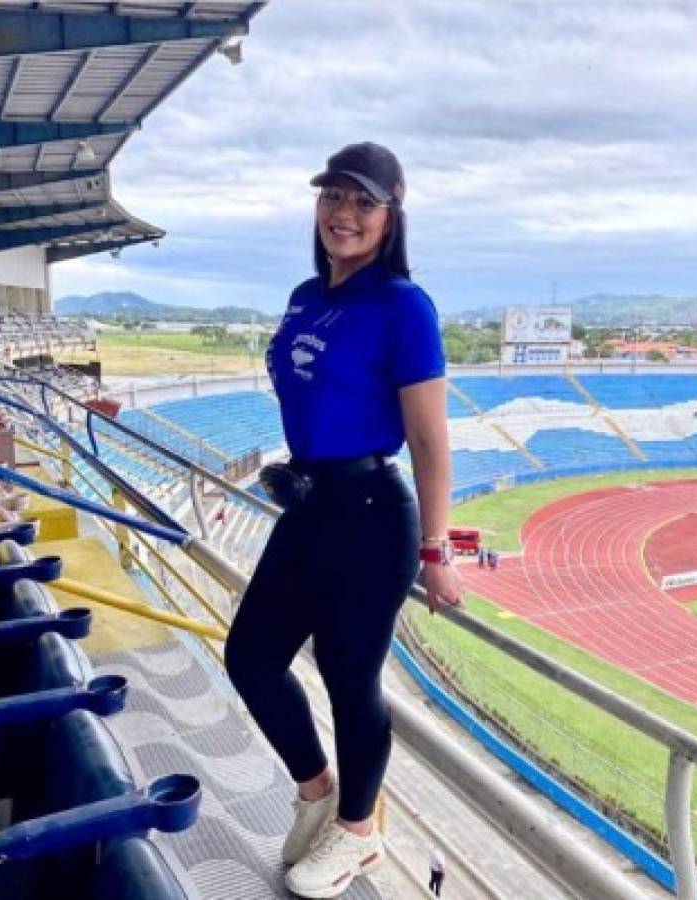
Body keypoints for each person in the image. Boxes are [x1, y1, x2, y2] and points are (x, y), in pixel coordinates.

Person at [224, 142, 464, 898]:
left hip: (370, 514)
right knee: (251, 658)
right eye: (332, 197)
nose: (343, 214)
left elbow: (427, 436)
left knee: (349, 676)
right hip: (312, 504)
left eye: (363, 202)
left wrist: (436, 549)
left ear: (391, 215)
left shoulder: (401, 304)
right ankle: (317, 789)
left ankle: (358, 832)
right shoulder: (306, 294)